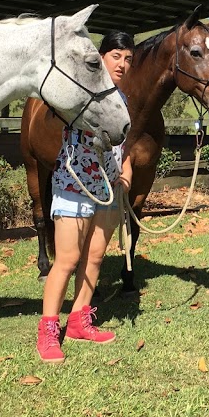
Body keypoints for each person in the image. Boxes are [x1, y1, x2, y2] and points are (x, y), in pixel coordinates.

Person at [37, 29, 135, 363]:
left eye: (128, 59)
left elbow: (123, 139)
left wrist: (129, 167)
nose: (122, 64)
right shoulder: (78, 92)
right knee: (66, 260)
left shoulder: (121, 98)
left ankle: (79, 321)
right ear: (102, 57)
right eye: (115, 56)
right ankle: (49, 331)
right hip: (74, 184)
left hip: (107, 190)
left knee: (94, 258)